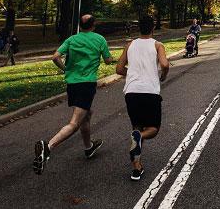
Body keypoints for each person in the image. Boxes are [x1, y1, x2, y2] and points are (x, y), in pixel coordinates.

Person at [33, 14, 114, 175]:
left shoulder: (72, 40)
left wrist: (66, 69)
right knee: (75, 122)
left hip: (72, 84)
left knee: (87, 114)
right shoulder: (99, 39)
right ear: (94, 25)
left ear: (80, 25)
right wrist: (109, 58)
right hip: (87, 84)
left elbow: (55, 57)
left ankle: (88, 148)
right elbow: (108, 60)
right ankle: (48, 147)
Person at [116, 16, 170, 181]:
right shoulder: (157, 45)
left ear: (138, 28)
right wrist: (163, 76)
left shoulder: (130, 45)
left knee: (137, 128)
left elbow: (118, 69)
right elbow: (165, 65)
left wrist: (131, 74)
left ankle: (136, 169)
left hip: (131, 92)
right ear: (153, 28)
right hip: (150, 91)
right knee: (152, 129)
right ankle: (140, 139)